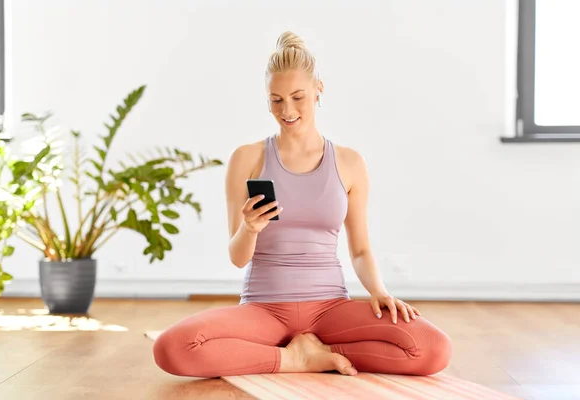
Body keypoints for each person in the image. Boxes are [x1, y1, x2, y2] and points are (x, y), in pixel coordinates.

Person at [153, 31, 452, 378]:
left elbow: (359, 250)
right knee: (172, 348)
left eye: (298, 97)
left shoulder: (349, 162)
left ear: (318, 91)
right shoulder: (246, 158)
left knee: (432, 349)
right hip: (264, 309)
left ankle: (320, 352)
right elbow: (237, 258)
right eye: (276, 100)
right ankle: (293, 359)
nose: (287, 110)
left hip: (330, 308)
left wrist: (379, 291)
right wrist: (249, 228)